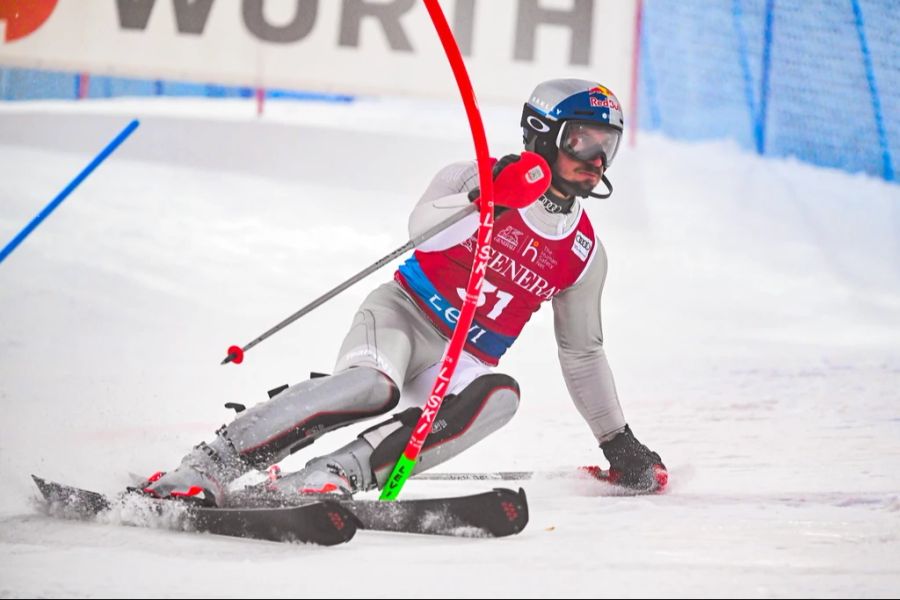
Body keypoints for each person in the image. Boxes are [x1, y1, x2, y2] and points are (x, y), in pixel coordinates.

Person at [143, 79, 667, 507]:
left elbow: (582, 351)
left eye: (608, 146)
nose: (597, 159)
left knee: (500, 398)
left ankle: (331, 476)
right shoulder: (470, 175)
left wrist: (615, 439)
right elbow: (422, 232)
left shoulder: (582, 251)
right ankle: (208, 464)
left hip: (462, 359)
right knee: (373, 386)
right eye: (583, 140)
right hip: (402, 317)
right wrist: (488, 199)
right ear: (544, 134)